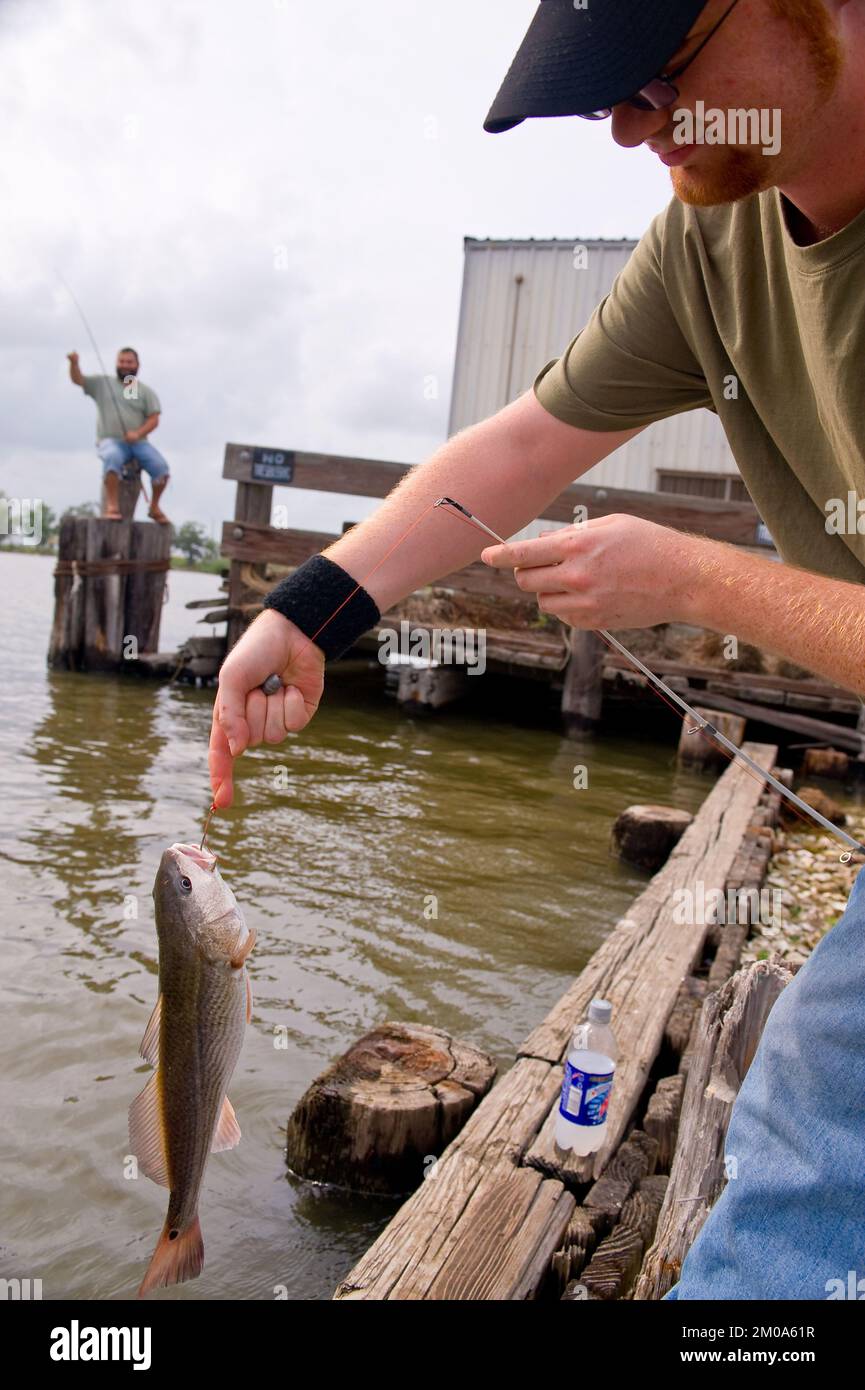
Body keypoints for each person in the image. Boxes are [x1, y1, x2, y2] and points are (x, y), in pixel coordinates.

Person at [208, 0, 865, 1299]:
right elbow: (512, 453)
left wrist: (687, 574)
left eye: (658, 72)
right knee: (806, 1110)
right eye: (601, 99)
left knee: (810, 1130)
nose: (629, 127)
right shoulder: (710, 240)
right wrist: (308, 609)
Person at [68, 345, 170, 522]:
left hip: (139, 443)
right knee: (112, 458)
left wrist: (137, 434)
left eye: (129, 362)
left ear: (137, 365)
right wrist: (74, 363)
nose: (125, 365)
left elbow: (154, 419)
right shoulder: (102, 384)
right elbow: (78, 380)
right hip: (110, 441)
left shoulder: (144, 391)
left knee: (161, 468)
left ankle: (154, 507)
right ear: (116, 363)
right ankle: (112, 506)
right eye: (122, 361)